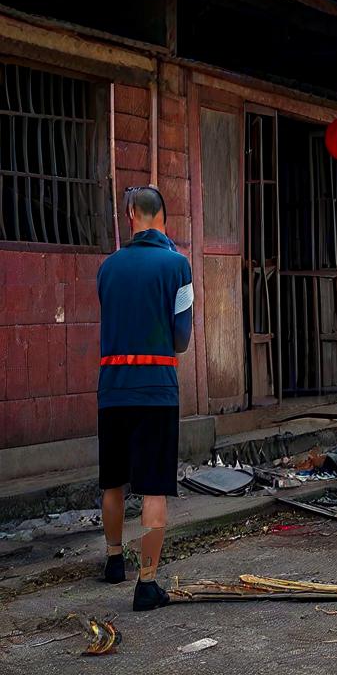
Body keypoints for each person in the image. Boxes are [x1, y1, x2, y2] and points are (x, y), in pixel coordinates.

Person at [97, 185, 193, 611]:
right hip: (156, 390)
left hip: (113, 388)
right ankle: (147, 583)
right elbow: (182, 338)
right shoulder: (178, 266)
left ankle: (114, 561)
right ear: (163, 218)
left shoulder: (107, 268)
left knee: (113, 481)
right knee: (153, 488)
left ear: (132, 213)